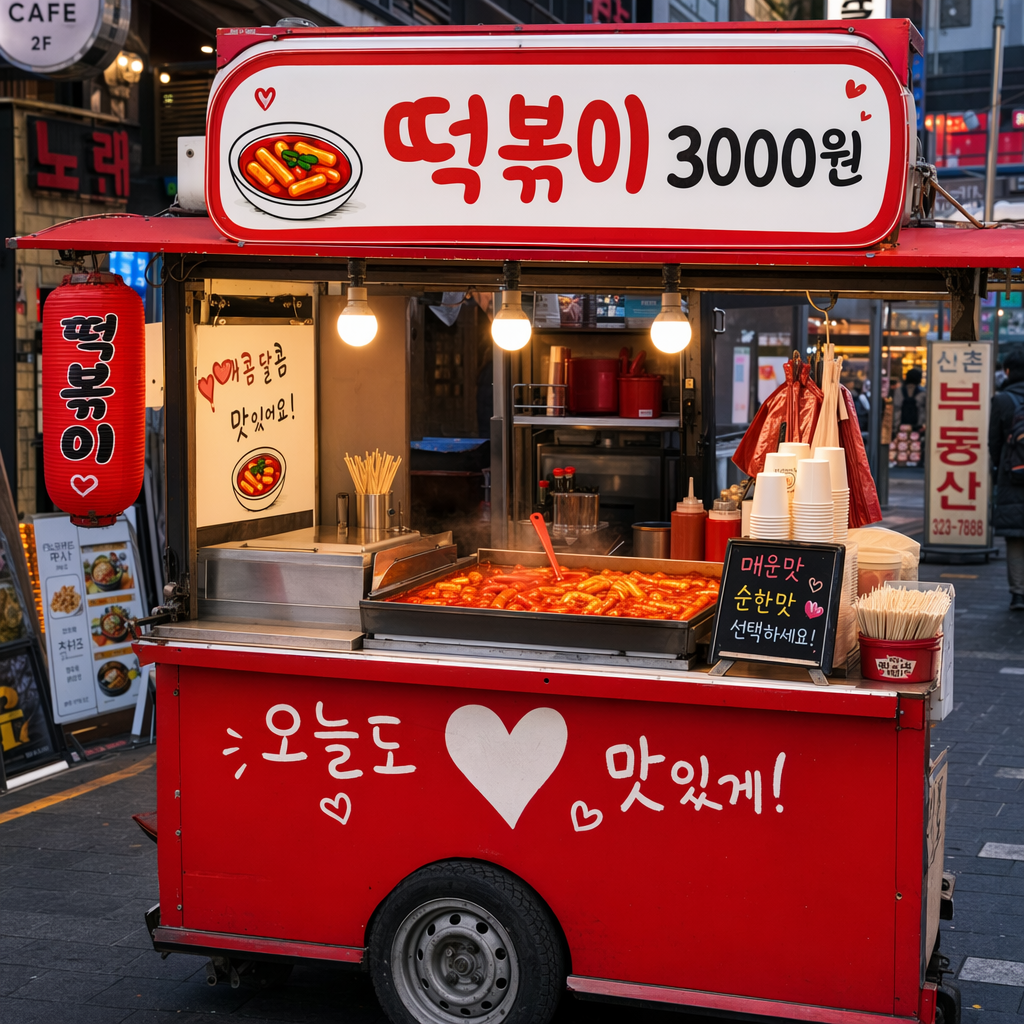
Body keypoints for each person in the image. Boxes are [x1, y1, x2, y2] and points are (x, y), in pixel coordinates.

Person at [989, 348, 1024, 610]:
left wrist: (1000, 469)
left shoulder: (1002, 400)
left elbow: (994, 443)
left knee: (1014, 537)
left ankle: (1018, 593)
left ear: (1008, 371)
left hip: (1012, 476)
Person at [893, 367, 927, 433]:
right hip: (917, 428)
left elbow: (896, 411)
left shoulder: (899, 391)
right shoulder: (923, 393)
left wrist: (896, 427)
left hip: (901, 427)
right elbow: (924, 412)